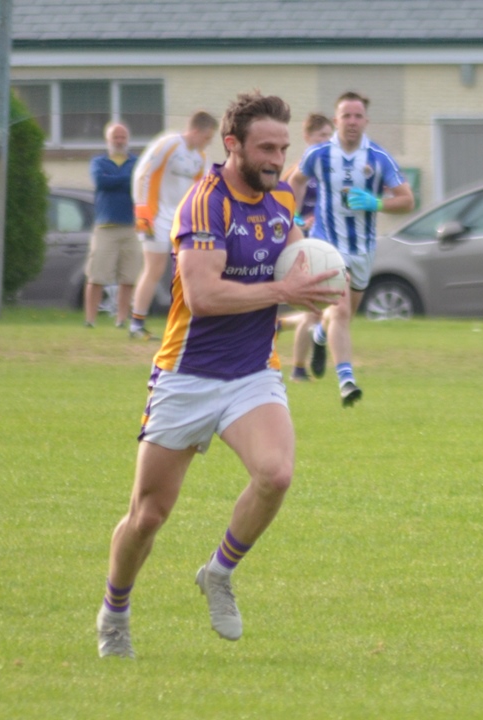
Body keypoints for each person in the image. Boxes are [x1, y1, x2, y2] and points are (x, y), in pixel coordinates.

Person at [95, 90, 342, 659]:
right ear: (232, 145)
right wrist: (284, 293)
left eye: (283, 147)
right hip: (187, 375)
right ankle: (115, 610)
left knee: (275, 474)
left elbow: (297, 259)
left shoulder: (280, 195)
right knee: (148, 515)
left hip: (252, 372)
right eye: (266, 148)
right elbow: (203, 296)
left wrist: (323, 285)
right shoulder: (203, 205)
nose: (278, 159)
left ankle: (219, 572)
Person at [288, 91, 415, 406]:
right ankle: (347, 380)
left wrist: (376, 202)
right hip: (326, 243)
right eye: (346, 116)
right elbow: (296, 180)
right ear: (336, 121)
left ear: (366, 121)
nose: (352, 122)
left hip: (362, 249)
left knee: (345, 313)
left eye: (358, 116)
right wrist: (290, 213)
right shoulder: (318, 154)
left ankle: (320, 337)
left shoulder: (378, 158)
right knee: (341, 310)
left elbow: (408, 200)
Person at [128, 110, 219, 341]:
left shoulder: (200, 157)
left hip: (181, 220)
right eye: (207, 137)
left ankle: (186, 324)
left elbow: (205, 190)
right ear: (196, 130)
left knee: (187, 270)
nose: (207, 143)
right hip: (155, 217)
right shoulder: (168, 144)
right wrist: (142, 211)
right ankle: (136, 324)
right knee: (154, 268)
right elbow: (142, 174)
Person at [286, 113, 334, 382]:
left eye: (329, 135)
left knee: (325, 308)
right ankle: (298, 368)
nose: (326, 141)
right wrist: (301, 222)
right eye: (321, 136)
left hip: (330, 244)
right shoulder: (300, 170)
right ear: (307, 138)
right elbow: (284, 207)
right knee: (315, 309)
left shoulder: (332, 168)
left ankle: (300, 362)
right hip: (307, 245)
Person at [84, 122, 142, 329]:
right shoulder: (98, 161)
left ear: (128, 139)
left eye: (122, 137)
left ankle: (121, 320)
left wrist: (116, 179)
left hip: (132, 227)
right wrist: (128, 179)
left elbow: (141, 182)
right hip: (105, 227)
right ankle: (90, 321)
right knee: (97, 276)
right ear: (108, 140)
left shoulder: (137, 161)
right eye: (115, 138)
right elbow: (101, 182)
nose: (119, 141)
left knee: (129, 277)